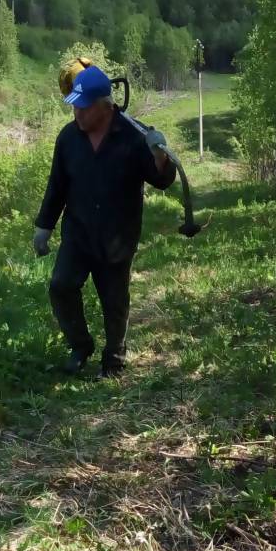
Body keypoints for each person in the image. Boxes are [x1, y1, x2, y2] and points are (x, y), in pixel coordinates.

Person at [33, 65, 177, 376]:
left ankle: (114, 359)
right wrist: (43, 227)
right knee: (61, 286)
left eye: (83, 108)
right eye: (74, 105)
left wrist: (160, 157)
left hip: (117, 235)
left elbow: (161, 180)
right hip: (78, 233)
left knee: (114, 300)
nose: (77, 113)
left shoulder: (133, 136)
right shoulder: (68, 138)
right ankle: (80, 346)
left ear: (104, 106)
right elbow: (57, 185)